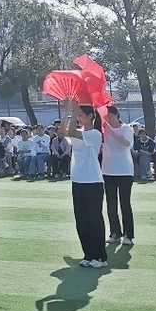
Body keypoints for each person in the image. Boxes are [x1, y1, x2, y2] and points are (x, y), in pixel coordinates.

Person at [62, 100, 107, 268]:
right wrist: (68, 109)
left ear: (90, 116)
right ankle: (88, 254)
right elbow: (63, 131)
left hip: (93, 181)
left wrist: (74, 110)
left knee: (94, 219)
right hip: (78, 180)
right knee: (81, 219)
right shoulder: (78, 132)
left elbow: (71, 130)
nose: (78, 117)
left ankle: (100, 256)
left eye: (81, 115)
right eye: (78, 115)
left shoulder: (94, 134)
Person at [101, 106, 135, 246]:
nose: (107, 118)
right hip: (108, 170)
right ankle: (115, 233)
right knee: (111, 204)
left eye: (109, 115)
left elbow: (126, 144)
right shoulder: (103, 130)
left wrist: (111, 131)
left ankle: (129, 235)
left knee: (125, 203)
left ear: (116, 115)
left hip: (125, 171)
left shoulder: (126, 128)